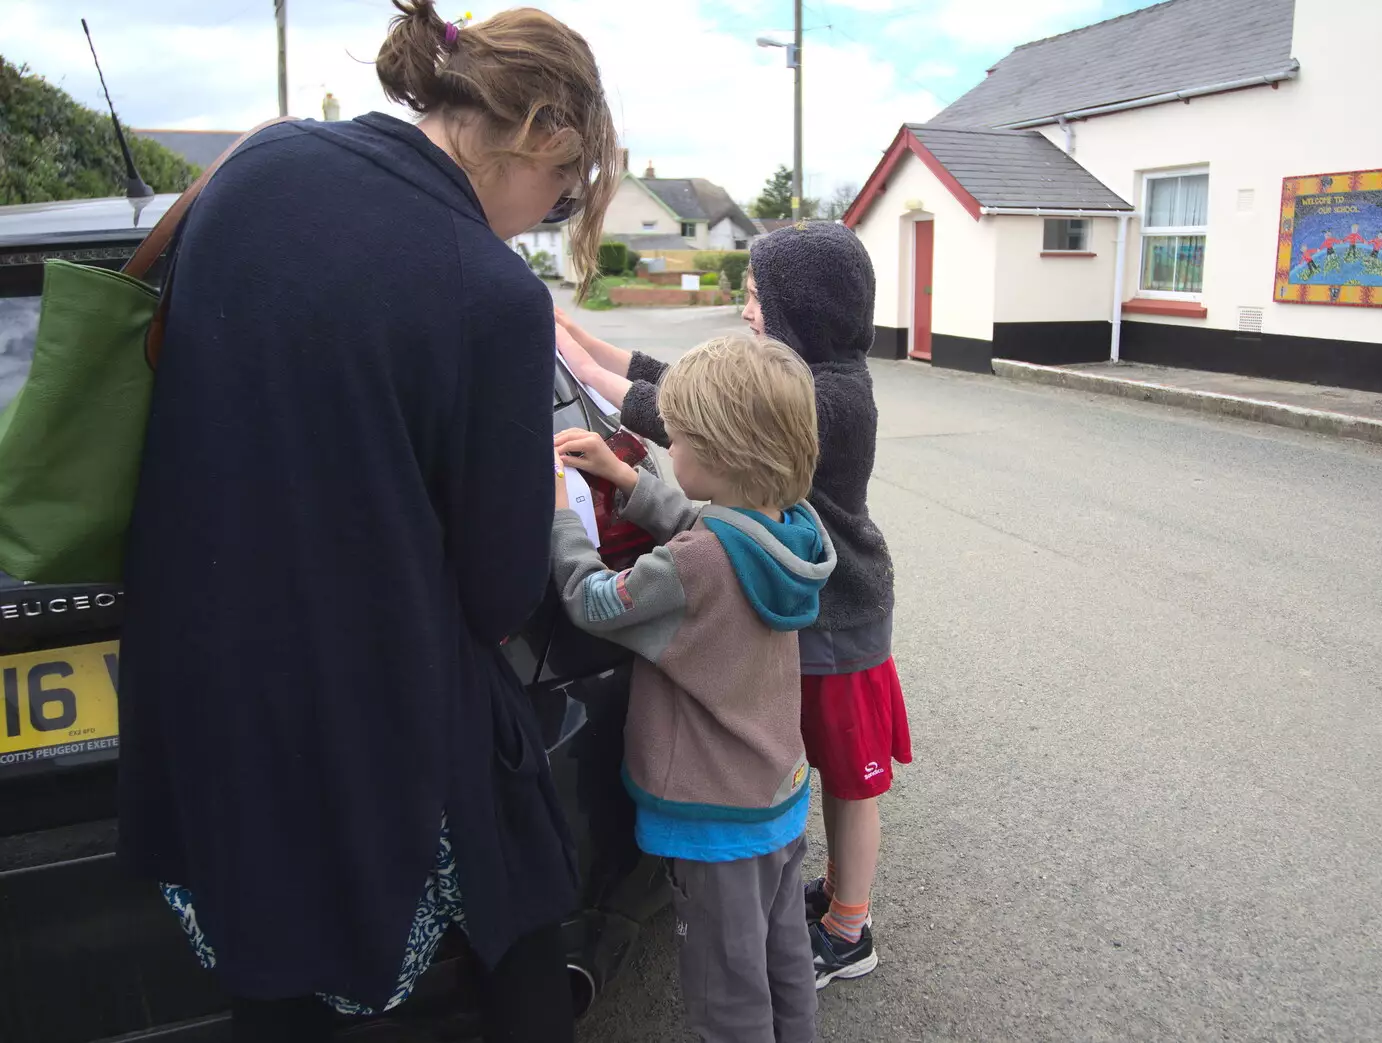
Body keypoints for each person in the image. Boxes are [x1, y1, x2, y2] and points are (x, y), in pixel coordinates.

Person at [115, 3, 619, 1040]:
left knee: (269, 970)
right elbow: (494, 588)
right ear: (540, 134)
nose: (544, 220)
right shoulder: (492, 294)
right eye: (562, 197)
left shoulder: (263, 165)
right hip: (360, 701)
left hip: (199, 682)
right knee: (520, 892)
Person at [556, 220, 909, 988]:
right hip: (798, 604)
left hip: (842, 620)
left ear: (802, 308)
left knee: (850, 777)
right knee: (795, 759)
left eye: (757, 297)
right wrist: (585, 345)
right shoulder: (797, 372)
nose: (747, 310)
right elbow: (684, 381)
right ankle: (817, 894)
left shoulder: (832, 396)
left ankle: (850, 926)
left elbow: (684, 409)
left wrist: (587, 367)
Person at [550, 334, 836, 1042]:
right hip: (776, 795)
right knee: (781, 958)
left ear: (722, 453)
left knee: (724, 992)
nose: (665, 449)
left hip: (714, 822)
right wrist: (627, 477)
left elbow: (597, 601)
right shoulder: (791, 529)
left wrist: (559, 511)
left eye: (674, 440)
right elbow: (710, 531)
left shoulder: (695, 566)